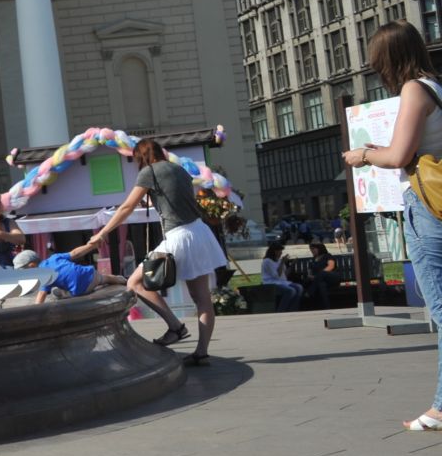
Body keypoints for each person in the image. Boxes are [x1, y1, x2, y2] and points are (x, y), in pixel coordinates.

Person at [342, 20, 442, 431]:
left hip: (426, 206)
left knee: (440, 307)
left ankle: (440, 408)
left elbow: (401, 156)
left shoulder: (413, 89)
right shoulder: (436, 86)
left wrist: (364, 154)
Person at [83, 137, 228, 366]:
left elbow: (126, 207)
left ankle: (175, 326)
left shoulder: (149, 171)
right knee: (202, 299)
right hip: (200, 233)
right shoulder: (179, 170)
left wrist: (102, 233)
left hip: (179, 236)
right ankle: (201, 352)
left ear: (141, 157)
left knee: (134, 282)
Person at [16, 245, 125, 302]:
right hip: (90, 275)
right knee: (103, 278)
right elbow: (75, 253)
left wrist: (35, 312)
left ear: (32, 266)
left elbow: (42, 295)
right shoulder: (55, 257)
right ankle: (119, 279)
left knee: (55, 292)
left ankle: (65, 294)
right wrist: (91, 246)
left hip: (80, 290)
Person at [260, 241, 305, 311]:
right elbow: (276, 276)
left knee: (299, 287)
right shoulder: (267, 261)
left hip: (281, 282)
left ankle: (293, 310)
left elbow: (285, 274)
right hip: (271, 283)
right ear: (274, 251)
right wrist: (282, 262)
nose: (281, 253)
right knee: (290, 291)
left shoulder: (279, 260)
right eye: (279, 251)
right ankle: (281, 311)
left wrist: (292, 265)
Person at [304, 240, 338, 308]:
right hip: (320, 281)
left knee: (322, 274)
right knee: (321, 285)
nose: (312, 250)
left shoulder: (328, 256)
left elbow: (331, 266)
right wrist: (311, 276)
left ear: (320, 248)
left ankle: (310, 291)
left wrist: (319, 275)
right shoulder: (312, 260)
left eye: (313, 249)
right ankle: (326, 307)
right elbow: (309, 273)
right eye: (311, 249)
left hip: (331, 277)